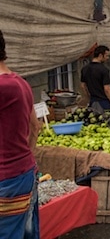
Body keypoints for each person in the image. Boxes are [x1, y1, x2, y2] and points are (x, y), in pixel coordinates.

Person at [0, 30, 41, 238]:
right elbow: (36, 127)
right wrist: (27, 155)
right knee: (26, 232)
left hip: (6, 180)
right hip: (24, 173)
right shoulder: (20, 83)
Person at [80, 45, 110, 111]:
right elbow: (107, 89)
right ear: (100, 55)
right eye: (106, 55)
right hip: (104, 103)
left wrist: (88, 97)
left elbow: (83, 86)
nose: (108, 58)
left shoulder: (84, 69)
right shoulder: (103, 70)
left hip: (92, 101)